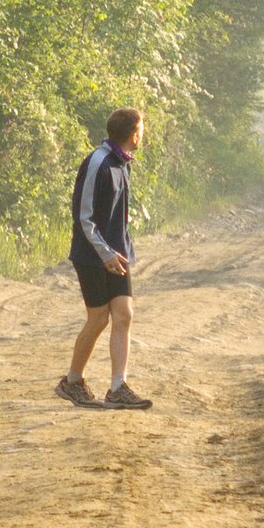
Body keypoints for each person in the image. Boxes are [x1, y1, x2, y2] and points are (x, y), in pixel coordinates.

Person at [56, 107, 153, 410]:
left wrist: (117, 251)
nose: (143, 135)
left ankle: (117, 387)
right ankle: (72, 382)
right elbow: (83, 218)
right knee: (98, 319)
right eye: (142, 129)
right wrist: (105, 254)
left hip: (116, 252)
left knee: (124, 314)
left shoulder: (122, 163)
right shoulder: (97, 162)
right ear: (133, 134)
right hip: (92, 254)